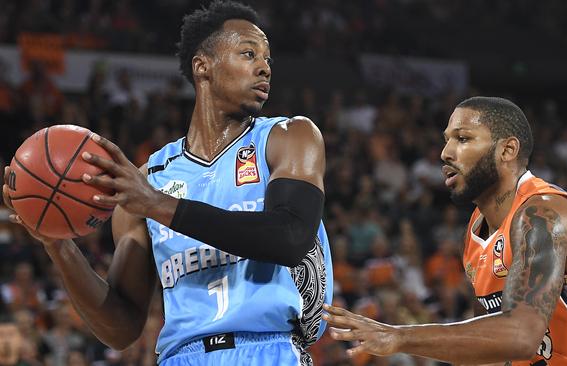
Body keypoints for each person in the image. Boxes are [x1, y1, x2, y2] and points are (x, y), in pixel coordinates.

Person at [2, 1, 333, 365]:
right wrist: (58, 246)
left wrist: (157, 205)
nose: (263, 68)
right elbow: (121, 327)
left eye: (267, 59)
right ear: (202, 66)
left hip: (267, 349)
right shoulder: (147, 179)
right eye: (248, 53)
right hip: (181, 357)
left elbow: (288, 237)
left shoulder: (289, 137)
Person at [323, 96, 567, 365]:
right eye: (447, 140)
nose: (446, 153)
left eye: (463, 139)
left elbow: (520, 337)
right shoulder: (476, 233)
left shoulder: (543, 215)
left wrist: (399, 336)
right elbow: (492, 346)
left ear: (507, 151)